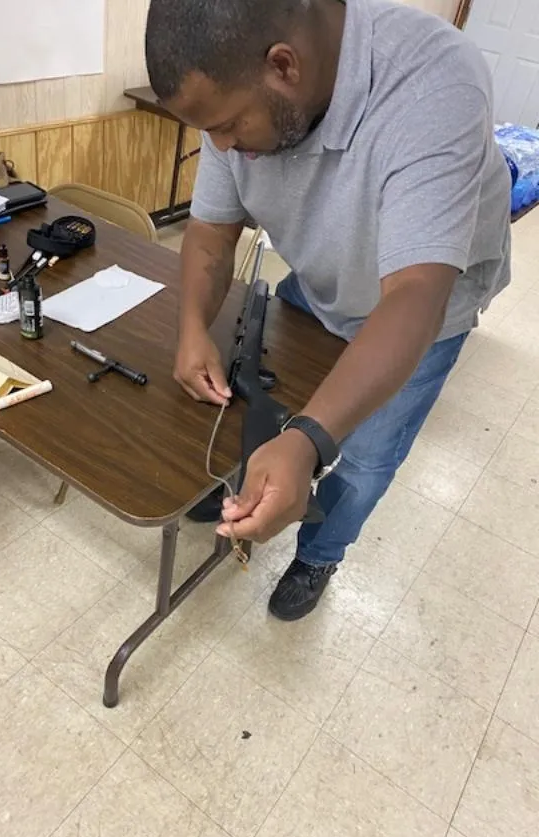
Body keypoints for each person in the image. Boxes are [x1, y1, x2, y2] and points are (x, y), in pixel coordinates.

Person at [145, 0, 511, 622]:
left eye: (230, 127)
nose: (223, 147)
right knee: (260, 401)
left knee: (362, 456)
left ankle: (320, 553)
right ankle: (247, 484)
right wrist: (191, 330)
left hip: (420, 313)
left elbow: (415, 293)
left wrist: (311, 439)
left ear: (283, 66)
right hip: (320, 281)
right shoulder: (233, 89)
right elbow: (210, 232)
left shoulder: (433, 81)